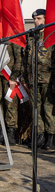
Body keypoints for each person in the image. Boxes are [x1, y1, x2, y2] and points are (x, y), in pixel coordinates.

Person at [26, 8, 54, 150]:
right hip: (33, 80)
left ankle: (51, 137)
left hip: (48, 80)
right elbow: (26, 58)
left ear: (46, 20)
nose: (36, 21)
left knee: (47, 109)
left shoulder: (51, 37)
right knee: (36, 109)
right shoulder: (31, 37)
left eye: (39, 18)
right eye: (35, 19)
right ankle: (40, 135)